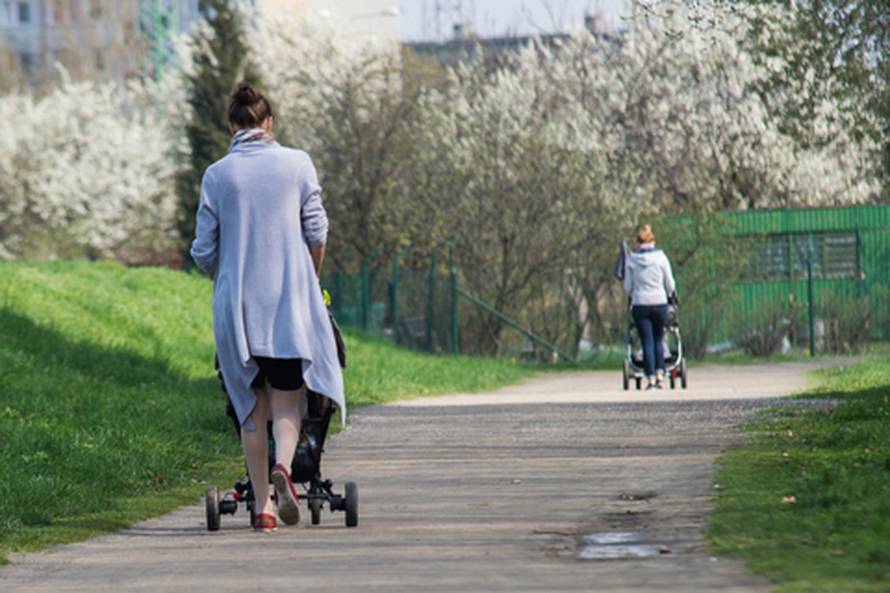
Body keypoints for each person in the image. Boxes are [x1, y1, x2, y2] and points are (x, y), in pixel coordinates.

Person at [190, 82, 345, 533]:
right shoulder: (297, 164)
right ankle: (285, 466)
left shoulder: (217, 175)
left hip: (238, 310)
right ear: (269, 123)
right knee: (287, 401)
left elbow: (202, 251)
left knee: (250, 409)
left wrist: (229, 269)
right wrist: (308, 277)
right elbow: (317, 231)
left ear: (231, 126)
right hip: (288, 304)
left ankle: (263, 508)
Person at [624, 224, 676, 389]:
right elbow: (670, 283)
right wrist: (670, 295)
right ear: (653, 241)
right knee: (659, 338)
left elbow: (628, 287)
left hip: (640, 304)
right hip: (659, 303)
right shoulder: (661, 258)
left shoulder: (631, 260)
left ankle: (651, 378)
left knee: (647, 341)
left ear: (638, 242)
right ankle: (661, 374)